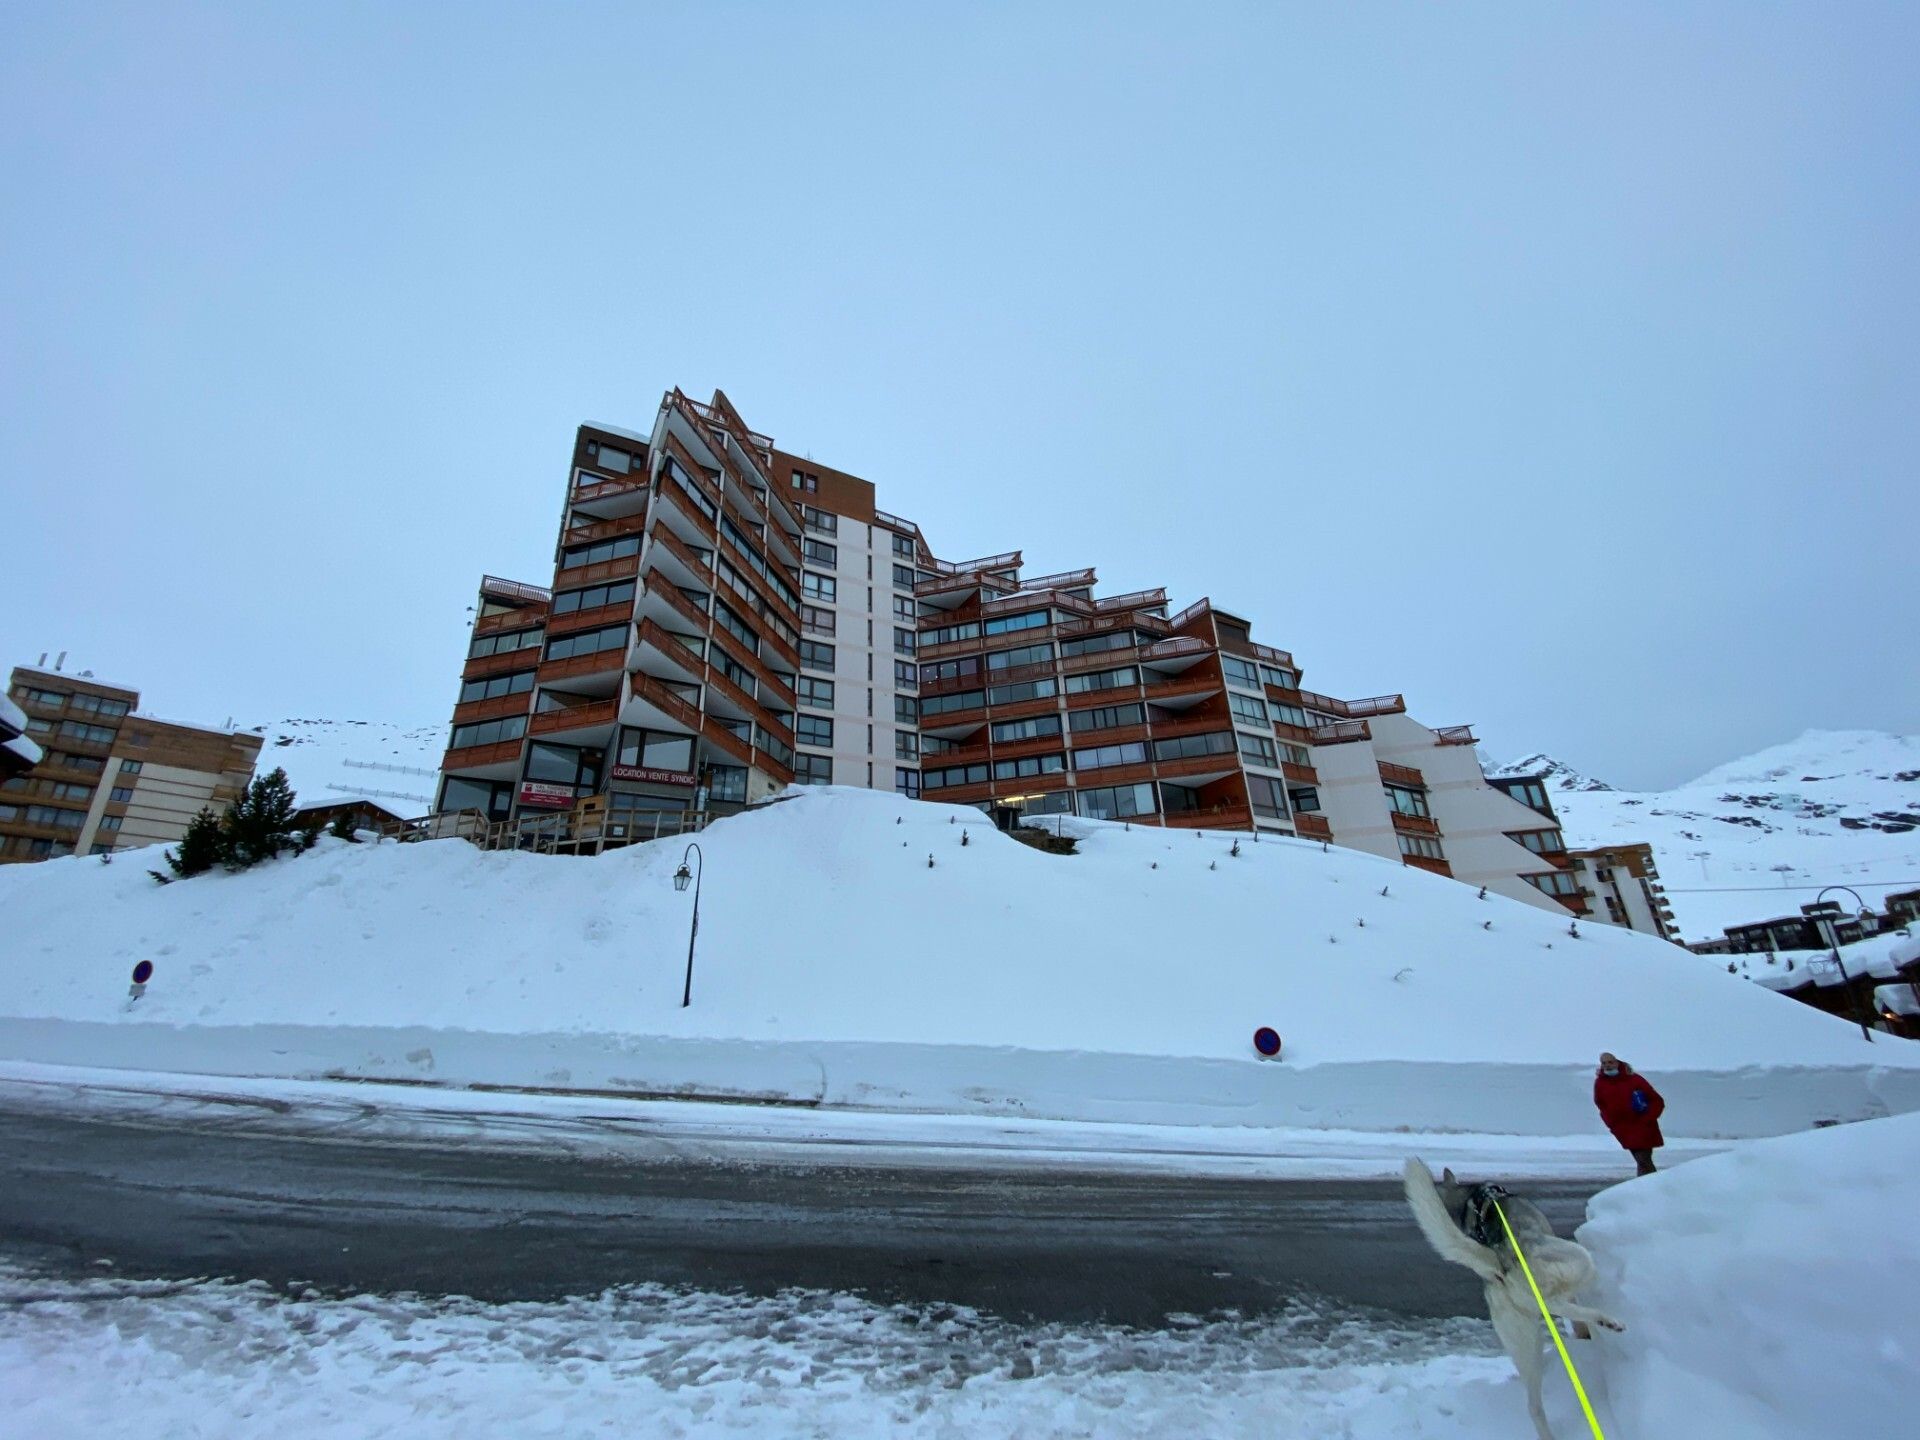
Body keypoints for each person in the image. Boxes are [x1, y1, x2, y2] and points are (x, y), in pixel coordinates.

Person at [1593, 1052, 1665, 1176]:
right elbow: (1601, 1104)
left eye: (1610, 1062)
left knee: (1643, 1160)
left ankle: (1648, 1187)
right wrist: (1611, 1123)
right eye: (1604, 1063)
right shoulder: (1601, 1083)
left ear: (1617, 1062)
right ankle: (1648, 1186)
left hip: (1643, 1127)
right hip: (1623, 1129)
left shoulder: (1634, 1079)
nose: (1607, 1066)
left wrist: (1648, 1119)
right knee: (1642, 1161)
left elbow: (1657, 1100)